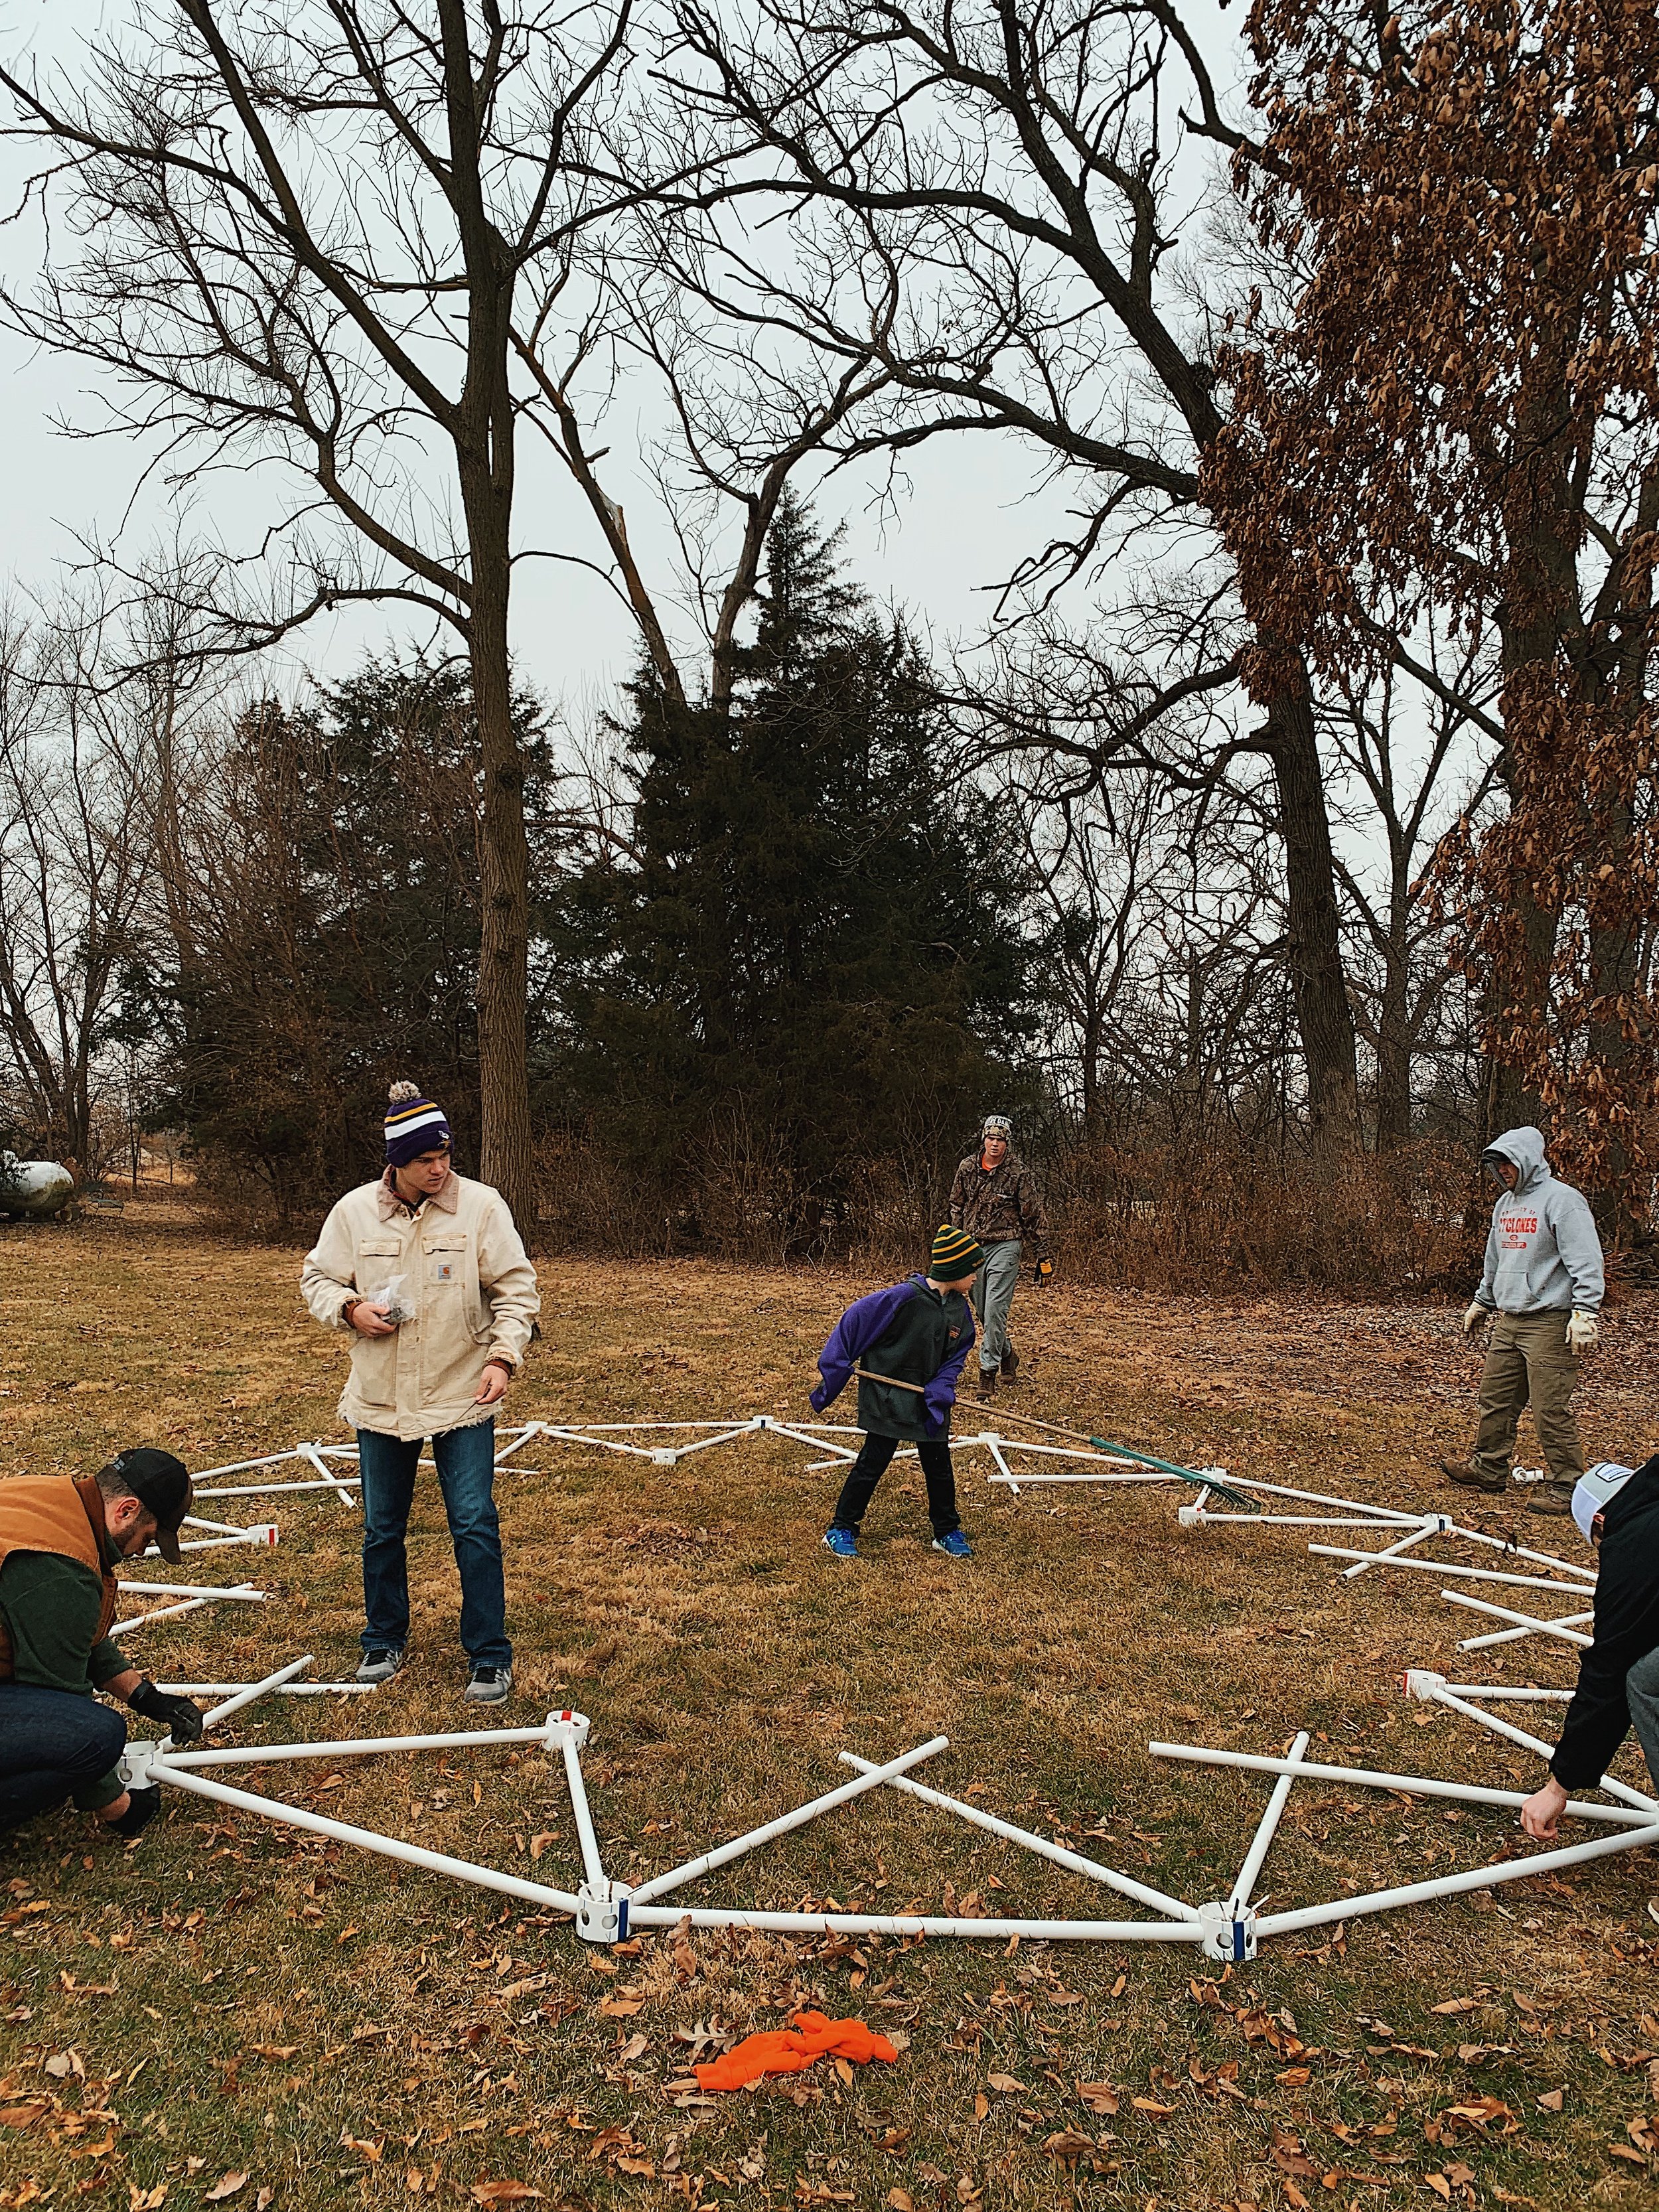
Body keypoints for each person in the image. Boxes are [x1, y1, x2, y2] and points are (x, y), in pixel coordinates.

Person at [301, 1082, 540, 1703]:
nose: (439, 1169)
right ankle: (383, 1639)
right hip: (381, 1398)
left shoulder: (482, 1208)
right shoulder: (354, 1212)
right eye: (424, 1161)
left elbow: (517, 1290)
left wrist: (503, 1357)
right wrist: (350, 1308)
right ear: (396, 1163)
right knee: (382, 1526)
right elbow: (317, 1277)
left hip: (463, 1391)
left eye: (445, 1156)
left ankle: (489, 1655)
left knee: (474, 1522)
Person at [1, 1449, 202, 1839]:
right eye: (148, 1536)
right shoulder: (60, 1567)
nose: (142, 1551)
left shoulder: (53, 1501)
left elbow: (71, 1634)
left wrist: (147, 1698)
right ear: (125, 1510)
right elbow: (59, 1702)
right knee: (96, 1735)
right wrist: (119, 1806)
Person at [1440, 1124, 1604, 1515]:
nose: (1503, 1172)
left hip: (1550, 1320)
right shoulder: (1505, 1205)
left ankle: (1568, 1485)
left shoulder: (1564, 1201)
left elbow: (1586, 1261)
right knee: (1495, 1398)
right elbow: (1495, 1259)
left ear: (1527, 1161)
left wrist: (1585, 1312)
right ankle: (1489, 1467)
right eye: (1497, 1165)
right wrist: (1483, 1301)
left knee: (1550, 1408)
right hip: (1509, 1319)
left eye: (1508, 1164)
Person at [810, 1225, 983, 1560]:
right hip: (887, 1394)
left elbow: (958, 1353)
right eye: (972, 1269)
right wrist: (838, 1365)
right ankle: (842, 1528)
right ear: (955, 1268)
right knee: (873, 1462)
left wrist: (943, 1385)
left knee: (938, 1465)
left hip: (928, 1400)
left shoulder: (959, 1310)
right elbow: (854, 1322)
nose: (976, 1276)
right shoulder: (902, 1299)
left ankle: (946, 1530)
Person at [1520, 1457, 1659, 1840]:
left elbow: (1609, 1670)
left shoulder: (1635, 1544)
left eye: (1599, 1543)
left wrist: (1559, 1785)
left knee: (1647, 1681)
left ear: (1600, 1520)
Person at [948, 1114, 1053, 1399]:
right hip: (972, 1246)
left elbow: (1033, 1215)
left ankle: (987, 1373)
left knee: (995, 1309)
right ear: (983, 1139)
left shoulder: (1018, 1173)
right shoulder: (967, 1168)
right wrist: (955, 1243)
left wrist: (1043, 1255)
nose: (995, 1144)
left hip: (1007, 1245)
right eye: (991, 1138)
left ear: (1008, 1143)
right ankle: (1007, 1354)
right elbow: (956, 1205)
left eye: (1001, 1140)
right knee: (982, 1309)